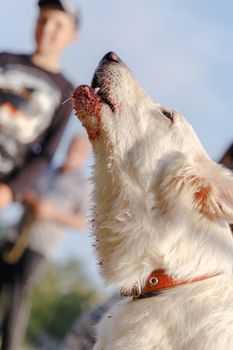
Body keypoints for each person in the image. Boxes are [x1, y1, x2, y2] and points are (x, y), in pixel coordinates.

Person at [0, 133, 90, 349]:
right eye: (70, 147)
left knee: (18, 297)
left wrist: (51, 212)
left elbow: (82, 222)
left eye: (77, 150)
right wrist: (28, 199)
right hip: (17, 235)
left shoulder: (82, 186)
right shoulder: (46, 169)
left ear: (84, 157)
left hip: (40, 247)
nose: (71, 152)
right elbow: (24, 191)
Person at [0, 0, 80, 210]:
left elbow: (47, 153)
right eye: (43, 20)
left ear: (72, 36)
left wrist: (11, 190)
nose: (47, 28)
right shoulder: (4, 60)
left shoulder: (65, 91)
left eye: (58, 24)